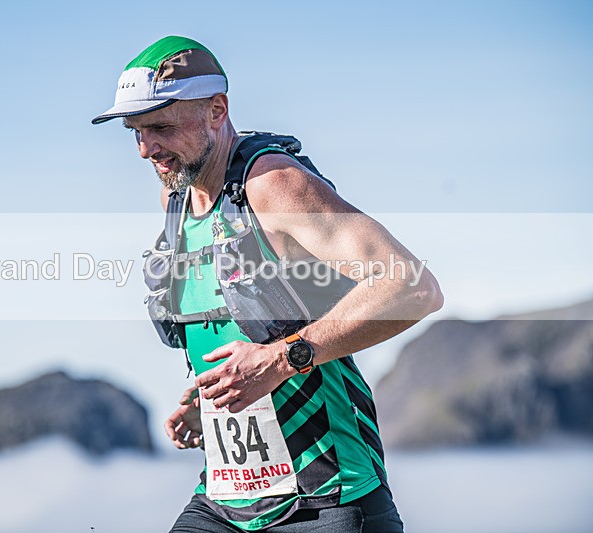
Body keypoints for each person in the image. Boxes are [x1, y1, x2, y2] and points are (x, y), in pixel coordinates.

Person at [92, 36, 443, 533]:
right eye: (135, 131)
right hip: (225, 498)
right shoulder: (179, 201)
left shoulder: (273, 184)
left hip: (326, 498)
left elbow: (413, 286)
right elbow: (234, 325)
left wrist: (280, 360)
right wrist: (210, 399)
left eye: (161, 127)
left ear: (217, 110)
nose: (146, 149)